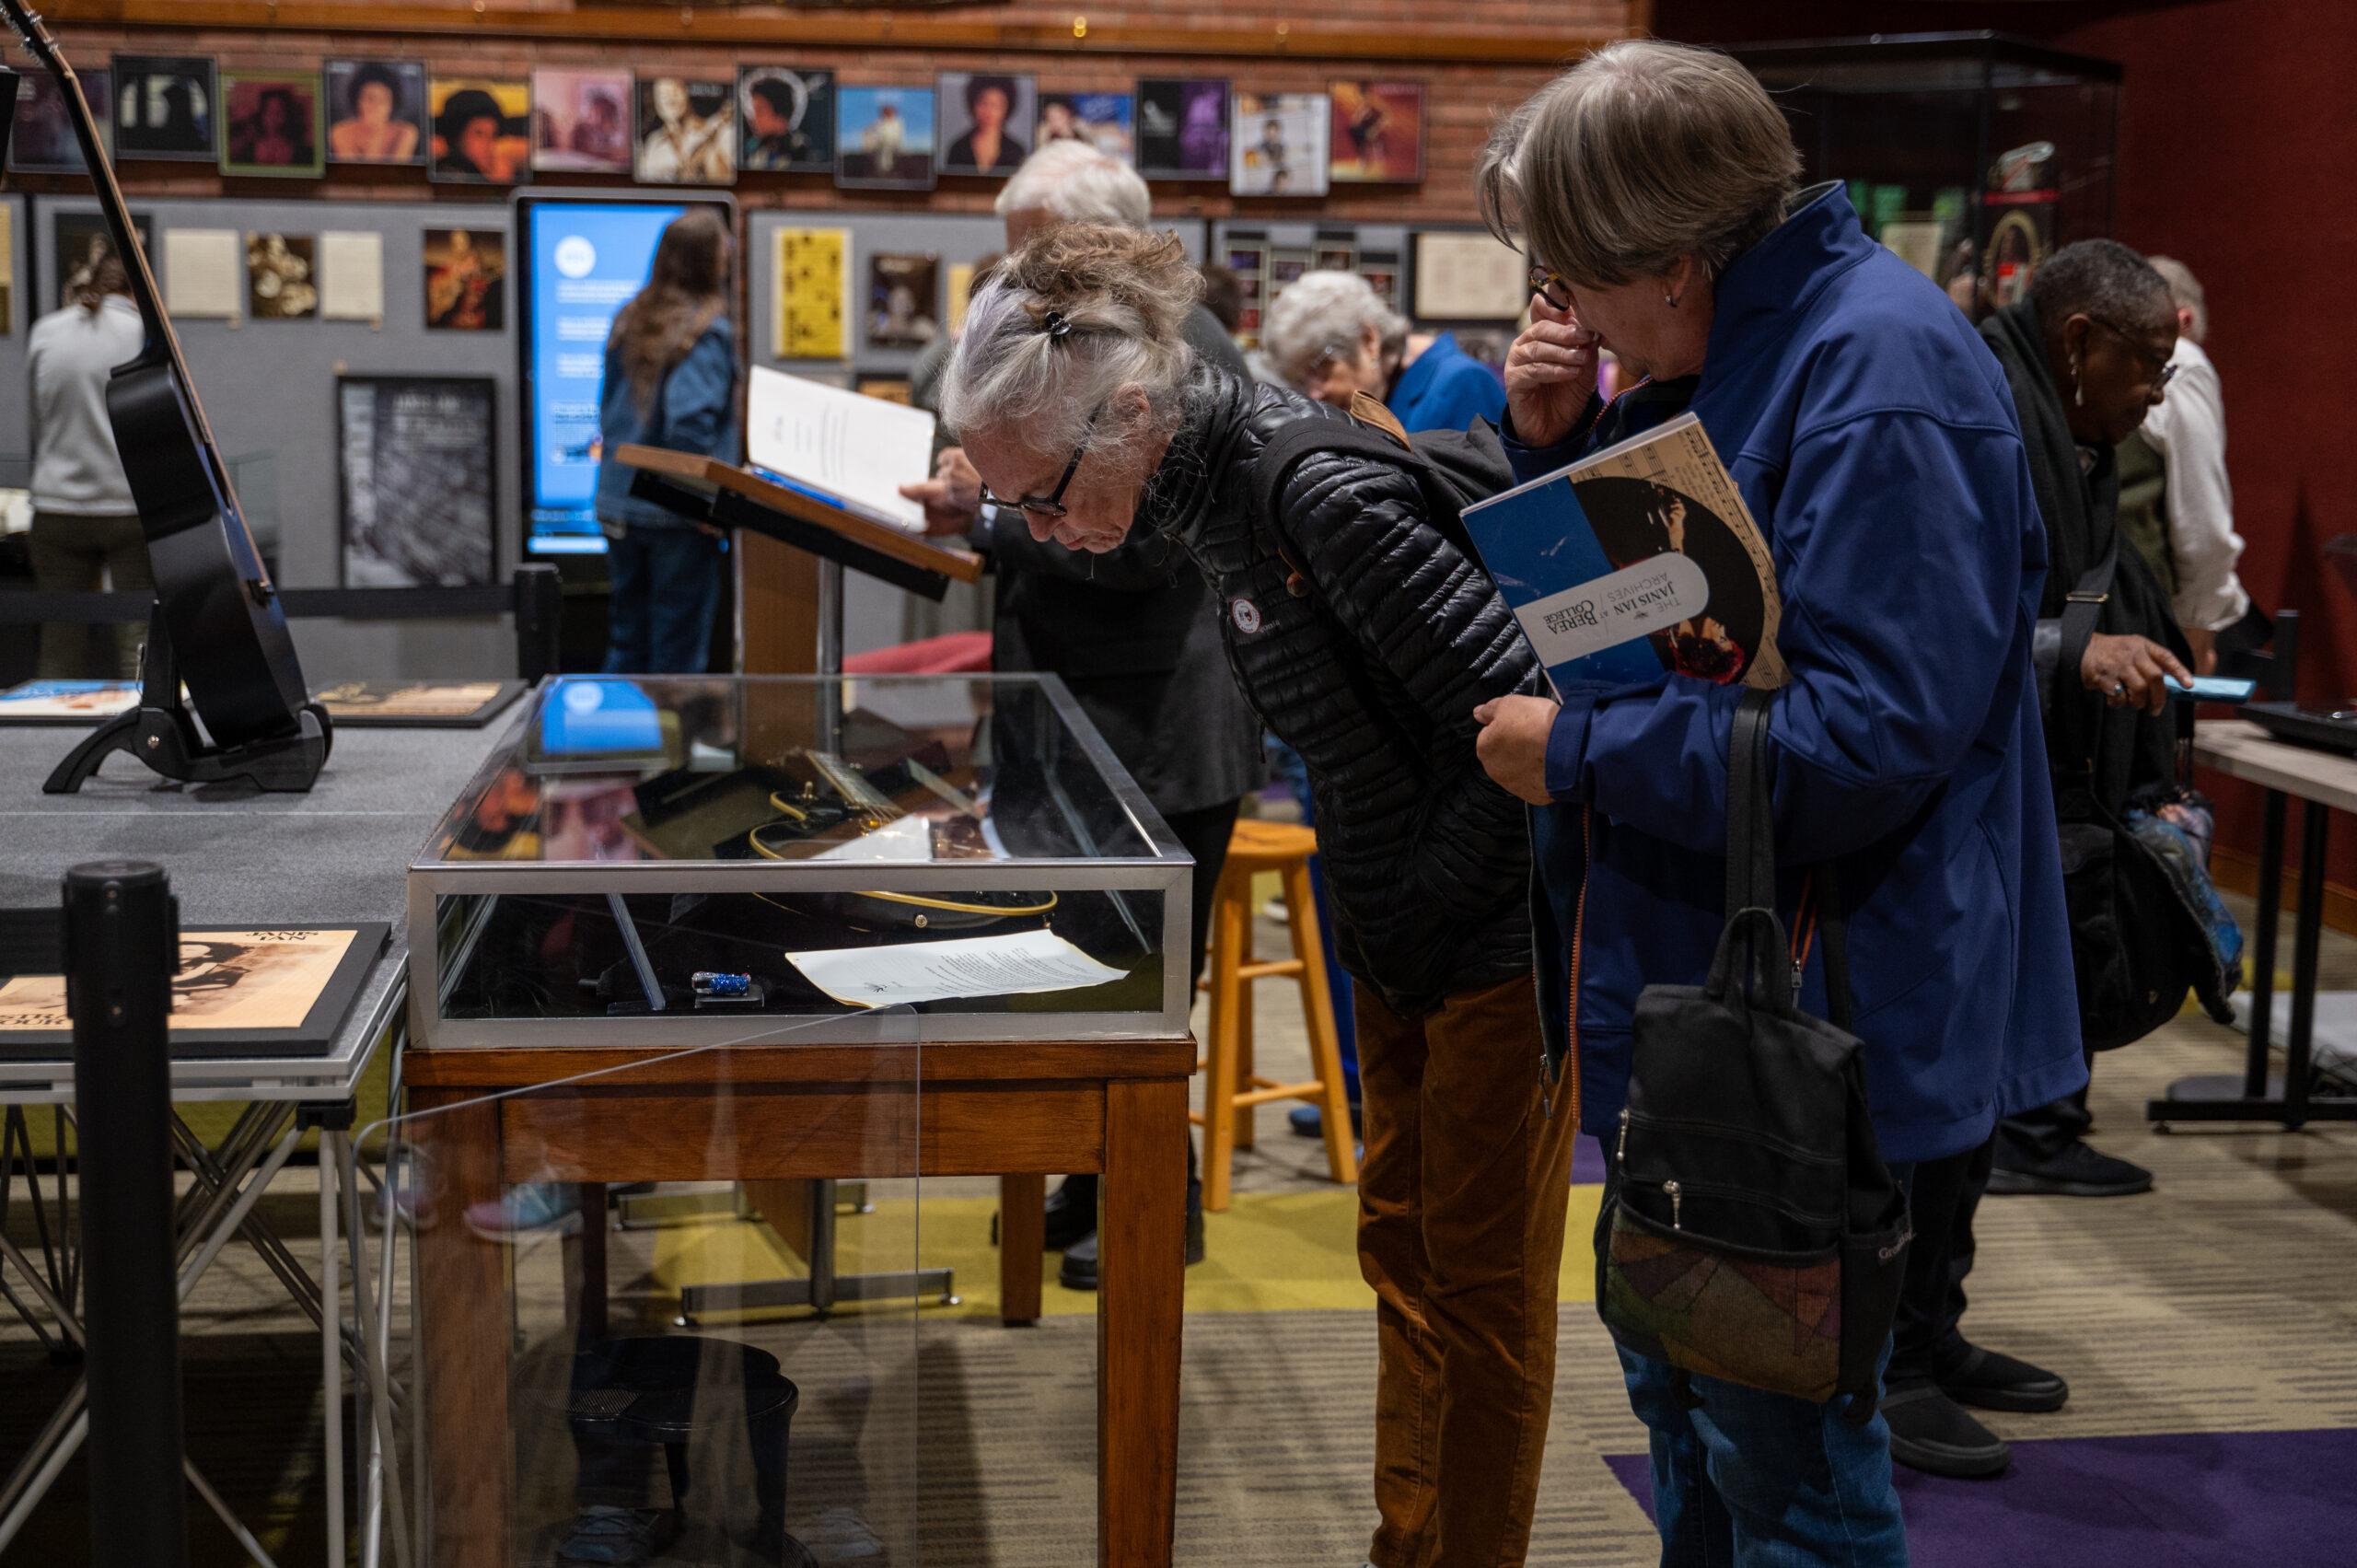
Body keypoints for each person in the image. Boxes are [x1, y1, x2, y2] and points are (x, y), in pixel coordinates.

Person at [1472, 41, 2084, 1562]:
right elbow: (1697, 605)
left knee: (1790, 1462)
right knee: (1693, 1408)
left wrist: (1581, 757)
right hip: (1702, 988)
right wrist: (1560, 447)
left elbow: (1867, 740)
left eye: (1570, 280)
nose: (1563, 315)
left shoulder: (1875, 373)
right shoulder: (1763, 338)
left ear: (1672, 257)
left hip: (1809, 1009)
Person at [941, 220, 1573, 1568]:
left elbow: (1526, 726)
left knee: (1480, 1300)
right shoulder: (1202, 496)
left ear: (1126, 413)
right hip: (1412, 931)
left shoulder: (1310, 494)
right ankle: (1411, 1542)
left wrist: (1408, 901)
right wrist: (1392, 915)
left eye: (1044, 493)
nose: (1047, 530)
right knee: (1405, 1264)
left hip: (1494, 942)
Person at [900, 142, 1263, 1293]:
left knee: (1148, 990)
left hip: (1159, 722)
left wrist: (987, 520)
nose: (1016, 274)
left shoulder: (1173, 352)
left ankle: (1159, 1202)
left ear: (1093, 238)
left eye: (1032, 247)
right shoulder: (1094, 346)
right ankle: (1087, 1176)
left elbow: (1141, 554)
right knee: (1080, 976)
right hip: (1088, 716)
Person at [1980, 242, 2196, 1208]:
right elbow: (1935, 612)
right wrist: (2070, 651)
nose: (2155, 389)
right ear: (2076, 341)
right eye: (2145, 362)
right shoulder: (1982, 410)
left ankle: (2035, 1121)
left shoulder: (2081, 438)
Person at [594, 209, 739, 674]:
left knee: (626, 641)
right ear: (707, 261)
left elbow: (607, 412)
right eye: (722, 250)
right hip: (674, 515)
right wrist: (703, 508)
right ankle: (669, 745)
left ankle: (621, 745)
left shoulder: (629, 316)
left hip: (618, 501)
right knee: (676, 657)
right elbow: (689, 427)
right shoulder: (705, 331)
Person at [2117, 256, 2249, 673]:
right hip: (2144, 617)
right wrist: (2199, 623)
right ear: (2184, 319)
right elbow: (2203, 526)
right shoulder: (2183, 359)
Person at [27, 250, 150, 679]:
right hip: (128, 507)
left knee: (60, 638)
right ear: (137, 288)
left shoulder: (46, 330)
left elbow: (38, 421)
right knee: (137, 638)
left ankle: (49, 739)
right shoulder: (142, 333)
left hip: (57, 506)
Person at [1260, 270, 1505, 434]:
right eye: (1301, 382)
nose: (1314, 393)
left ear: (1369, 340)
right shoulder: (1378, 396)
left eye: (1321, 370)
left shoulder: (1462, 383)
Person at [637, 77, 733, 184]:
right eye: (662, 94)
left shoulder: (720, 132)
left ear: (688, 93)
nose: (669, 99)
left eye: (676, 91)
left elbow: (724, 182)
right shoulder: (652, 142)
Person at [330, 64, 418, 162]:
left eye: (383, 100)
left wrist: (377, 132)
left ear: (392, 105)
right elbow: (352, 172)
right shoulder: (339, 132)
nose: (376, 105)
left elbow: (395, 172)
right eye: (369, 98)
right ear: (357, 101)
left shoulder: (406, 132)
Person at [946, 75, 1026, 174]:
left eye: (996, 105)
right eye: (984, 103)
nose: (989, 111)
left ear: (1007, 108)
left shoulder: (1016, 151)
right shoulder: (958, 148)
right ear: (973, 104)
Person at [433, 87, 518, 181]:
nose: (489, 145)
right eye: (479, 134)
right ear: (457, 137)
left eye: (493, 135)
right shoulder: (450, 174)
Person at [227, 86, 312, 168]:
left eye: (279, 112)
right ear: (262, 114)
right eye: (269, 112)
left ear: (288, 115)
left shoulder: (302, 151)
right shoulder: (248, 148)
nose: (273, 118)